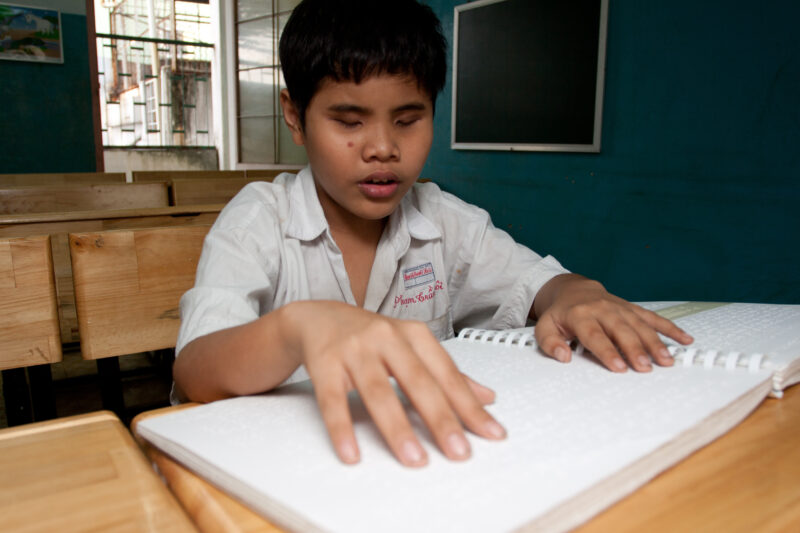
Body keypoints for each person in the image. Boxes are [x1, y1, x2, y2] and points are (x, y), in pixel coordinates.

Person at [173, 0, 693, 468]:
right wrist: (295, 329)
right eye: (349, 121)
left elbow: (541, 284)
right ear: (295, 116)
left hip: (414, 468)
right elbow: (195, 369)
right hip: (283, 468)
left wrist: (578, 293)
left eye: (407, 119)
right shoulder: (260, 220)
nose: (382, 147)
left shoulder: (442, 219)